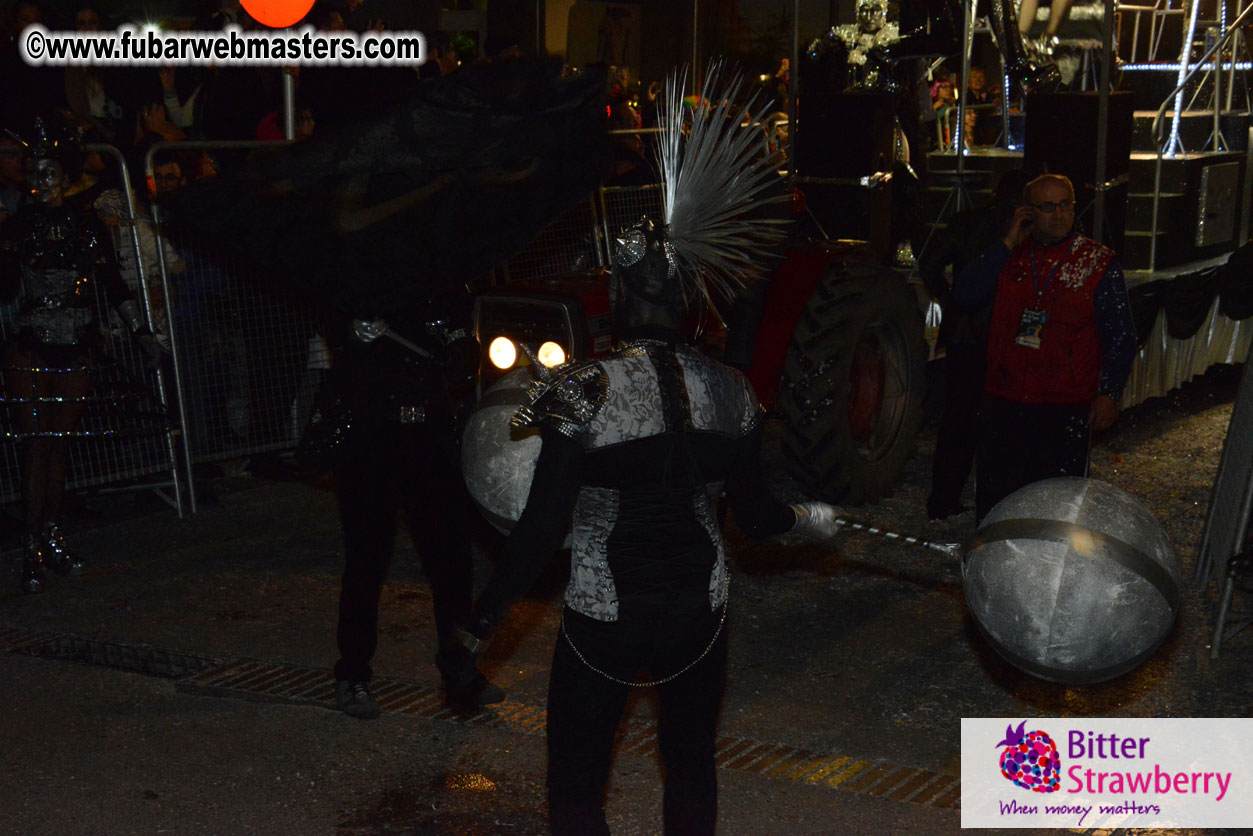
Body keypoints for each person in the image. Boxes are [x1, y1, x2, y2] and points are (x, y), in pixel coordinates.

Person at [450, 68, 843, 836]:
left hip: (604, 618)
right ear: (689, 302)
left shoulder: (583, 388)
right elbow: (759, 517)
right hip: (700, 612)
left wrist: (478, 629)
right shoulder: (732, 391)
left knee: (575, 786)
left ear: (622, 300)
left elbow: (538, 532)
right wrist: (813, 519)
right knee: (689, 765)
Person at [323, 292, 504, 718]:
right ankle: (352, 675)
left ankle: (459, 673)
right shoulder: (357, 278)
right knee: (366, 560)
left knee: (451, 563)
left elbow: (464, 358)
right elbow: (337, 332)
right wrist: (353, 331)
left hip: (427, 440)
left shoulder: (442, 283)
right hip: (370, 444)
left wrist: (460, 352)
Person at [0, 117, 162, 593]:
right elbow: (6, 288)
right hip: (30, 342)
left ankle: (51, 537)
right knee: (36, 445)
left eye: (48, 171)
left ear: (66, 176)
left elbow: (112, 283)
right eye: (33, 171)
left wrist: (142, 332)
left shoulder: (85, 223)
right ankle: (31, 548)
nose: (39, 180)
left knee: (58, 446)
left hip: (75, 341)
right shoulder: (17, 225)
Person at [952, 173, 1137, 522]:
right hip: (1005, 400)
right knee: (998, 500)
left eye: (1065, 204)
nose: (1058, 215)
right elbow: (964, 296)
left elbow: (1121, 335)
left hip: (1064, 406)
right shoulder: (1008, 256)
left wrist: (1109, 392)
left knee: (1057, 506)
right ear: (1028, 212)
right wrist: (1008, 241)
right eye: (1047, 207)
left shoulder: (1096, 263)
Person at [920, 169, 1028, 519]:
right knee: (1002, 424)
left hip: (966, 334)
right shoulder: (1027, 230)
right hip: (1006, 338)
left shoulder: (968, 221)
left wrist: (948, 297)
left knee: (958, 423)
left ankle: (943, 500)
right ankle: (995, 505)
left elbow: (930, 263)